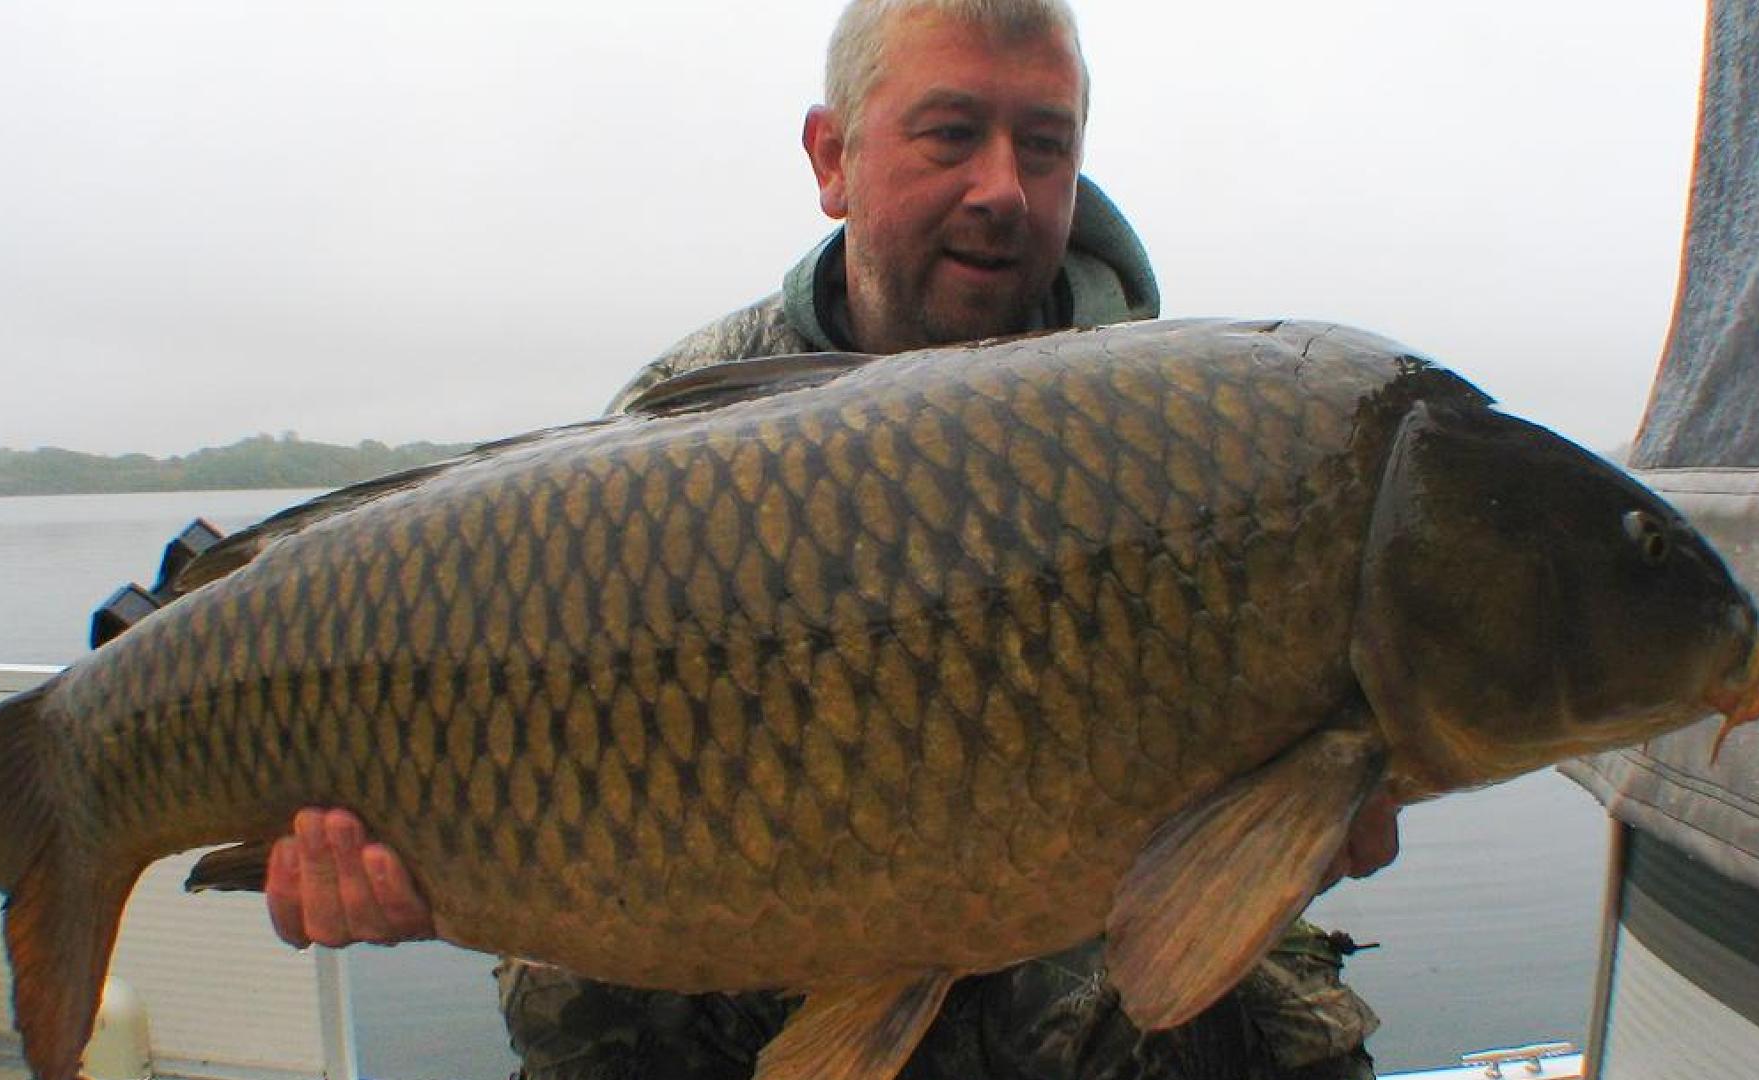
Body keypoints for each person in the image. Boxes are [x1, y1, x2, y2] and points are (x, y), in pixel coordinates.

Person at [266, 1, 1400, 1076]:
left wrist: (1297, 828)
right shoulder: (677, 423)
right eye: (952, 135)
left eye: (1045, 146)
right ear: (831, 159)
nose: (1002, 188)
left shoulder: (1186, 438)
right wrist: (416, 868)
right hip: (750, 927)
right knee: (576, 995)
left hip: (1080, 964)